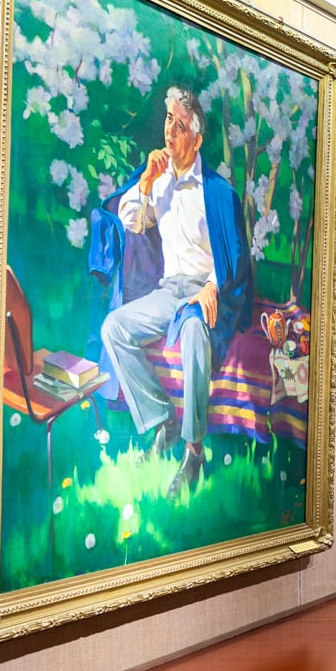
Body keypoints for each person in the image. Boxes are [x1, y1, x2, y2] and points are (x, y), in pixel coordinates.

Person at [97, 86, 251, 500]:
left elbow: (234, 254)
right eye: (169, 120)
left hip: (204, 292)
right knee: (114, 328)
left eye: (180, 126)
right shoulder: (159, 179)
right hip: (168, 292)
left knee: (196, 335)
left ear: (196, 140)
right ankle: (161, 417)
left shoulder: (219, 192)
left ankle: (193, 450)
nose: (170, 131)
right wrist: (146, 181)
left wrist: (211, 289)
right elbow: (133, 221)